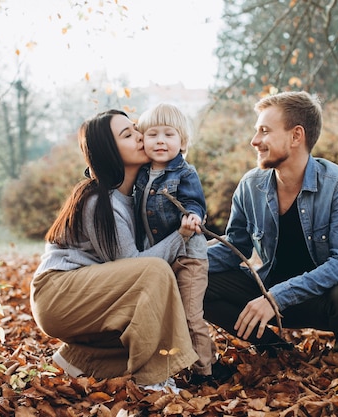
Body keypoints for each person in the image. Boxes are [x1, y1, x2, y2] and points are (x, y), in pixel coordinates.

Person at [204, 91, 338, 362]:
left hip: (320, 300)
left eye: (264, 131)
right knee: (196, 280)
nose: (255, 141)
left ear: (296, 135)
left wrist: (277, 297)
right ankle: (274, 350)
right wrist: (181, 261)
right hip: (266, 292)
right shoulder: (250, 185)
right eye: (257, 131)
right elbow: (233, 247)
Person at [29, 109, 200, 393]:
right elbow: (134, 266)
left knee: (138, 331)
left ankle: (78, 360)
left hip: (80, 289)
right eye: (127, 134)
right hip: (57, 293)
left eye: (135, 129)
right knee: (154, 272)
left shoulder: (133, 198)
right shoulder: (100, 200)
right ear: (110, 151)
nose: (139, 136)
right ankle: (153, 380)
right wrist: (180, 235)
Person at [134, 103, 213, 384]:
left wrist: (193, 217)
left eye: (169, 134)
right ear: (142, 140)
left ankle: (205, 371)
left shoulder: (184, 172)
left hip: (189, 255)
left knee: (191, 315)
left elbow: (194, 202)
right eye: (153, 134)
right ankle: (179, 363)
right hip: (159, 255)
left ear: (182, 141)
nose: (160, 141)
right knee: (170, 315)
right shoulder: (141, 174)